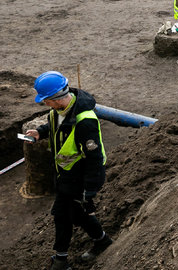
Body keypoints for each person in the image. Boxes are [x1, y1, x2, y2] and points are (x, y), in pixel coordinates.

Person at [23, 71, 112, 270]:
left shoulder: (84, 121)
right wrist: (41, 132)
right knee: (79, 214)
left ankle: (61, 259)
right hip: (65, 174)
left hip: (78, 178)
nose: (45, 104)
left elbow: (94, 159)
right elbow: (56, 126)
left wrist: (89, 190)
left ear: (57, 98)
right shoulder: (59, 111)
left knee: (62, 216)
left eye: (46, 100)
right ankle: (102, 241)